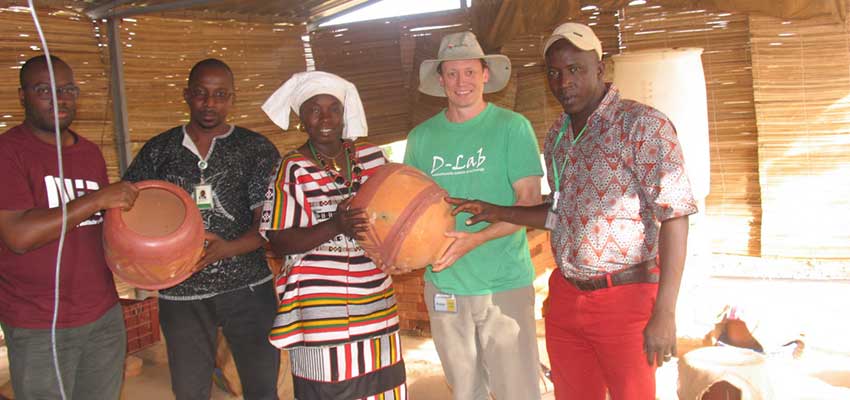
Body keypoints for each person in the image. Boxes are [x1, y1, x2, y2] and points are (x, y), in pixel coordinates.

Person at [447, 22, 698, 399]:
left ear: (600, 68)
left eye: (575, 69)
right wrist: (496, 209)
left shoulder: (642, 125)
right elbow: (560, 211)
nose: (564, 82)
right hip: (566, 298)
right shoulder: (558, 136)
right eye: (555, 73)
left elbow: (675, 214)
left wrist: (665, 312)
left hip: (624, 297)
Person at [123, 58, 281, 400]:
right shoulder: (158, 150)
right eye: (201, 94)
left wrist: (227, 248)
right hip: (181, 292)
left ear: (232, 98)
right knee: (190, 390)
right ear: (187, 95)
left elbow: (267, 223)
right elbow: (129, 211)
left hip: (249, 287)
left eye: (220, 94)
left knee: (262, 387)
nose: (210, 103)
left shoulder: (255, 148)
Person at [403, 32, 544, 400]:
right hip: (445, 283)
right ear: (440, 80)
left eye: (469, 72)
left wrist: (477, 239)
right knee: (465, 390)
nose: (461, 82)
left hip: (503, 282)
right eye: (452, 73)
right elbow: (413, 211)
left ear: (485, 75)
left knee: (516, 390)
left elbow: (528, 206)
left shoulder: (512, 127)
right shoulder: (421, 138)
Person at [259, 71, 407, 399]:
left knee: (382, 388)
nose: (326, 118)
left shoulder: (372, 158)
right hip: (319, 308)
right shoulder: (292, 169)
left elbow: (395, 213)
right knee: (328, 388)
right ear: (302, 120)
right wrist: (334, 227)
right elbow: (278, 240)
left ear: (344, 114)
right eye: (314, 110)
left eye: (334, 109)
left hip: (375, 301)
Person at [0, 55, 138, 399]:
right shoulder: (8, 152)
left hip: (102, 314)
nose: (58, 98)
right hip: (39, 323)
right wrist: (96, 200)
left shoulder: (89, 153)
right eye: (43, 89)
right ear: (22, 96)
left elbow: (101, 228)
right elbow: (19, 236)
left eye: (66, 89)